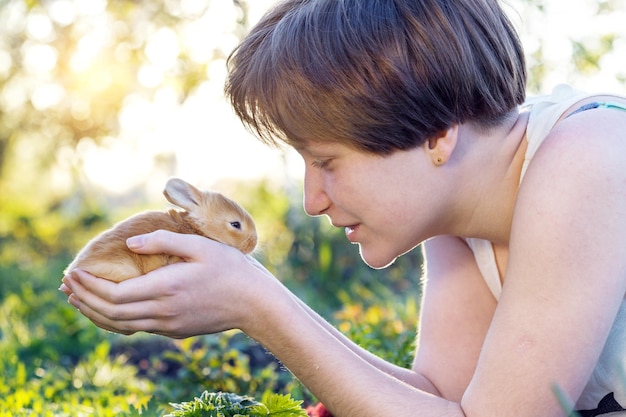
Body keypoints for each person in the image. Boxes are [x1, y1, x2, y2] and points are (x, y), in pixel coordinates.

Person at [60, 0, 626, 415]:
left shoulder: (588, 156)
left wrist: (259, 306)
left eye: (326, 162)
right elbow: (441, 402)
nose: (312, 201)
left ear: (436, 133)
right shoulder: (461, 214)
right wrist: (252, 294)